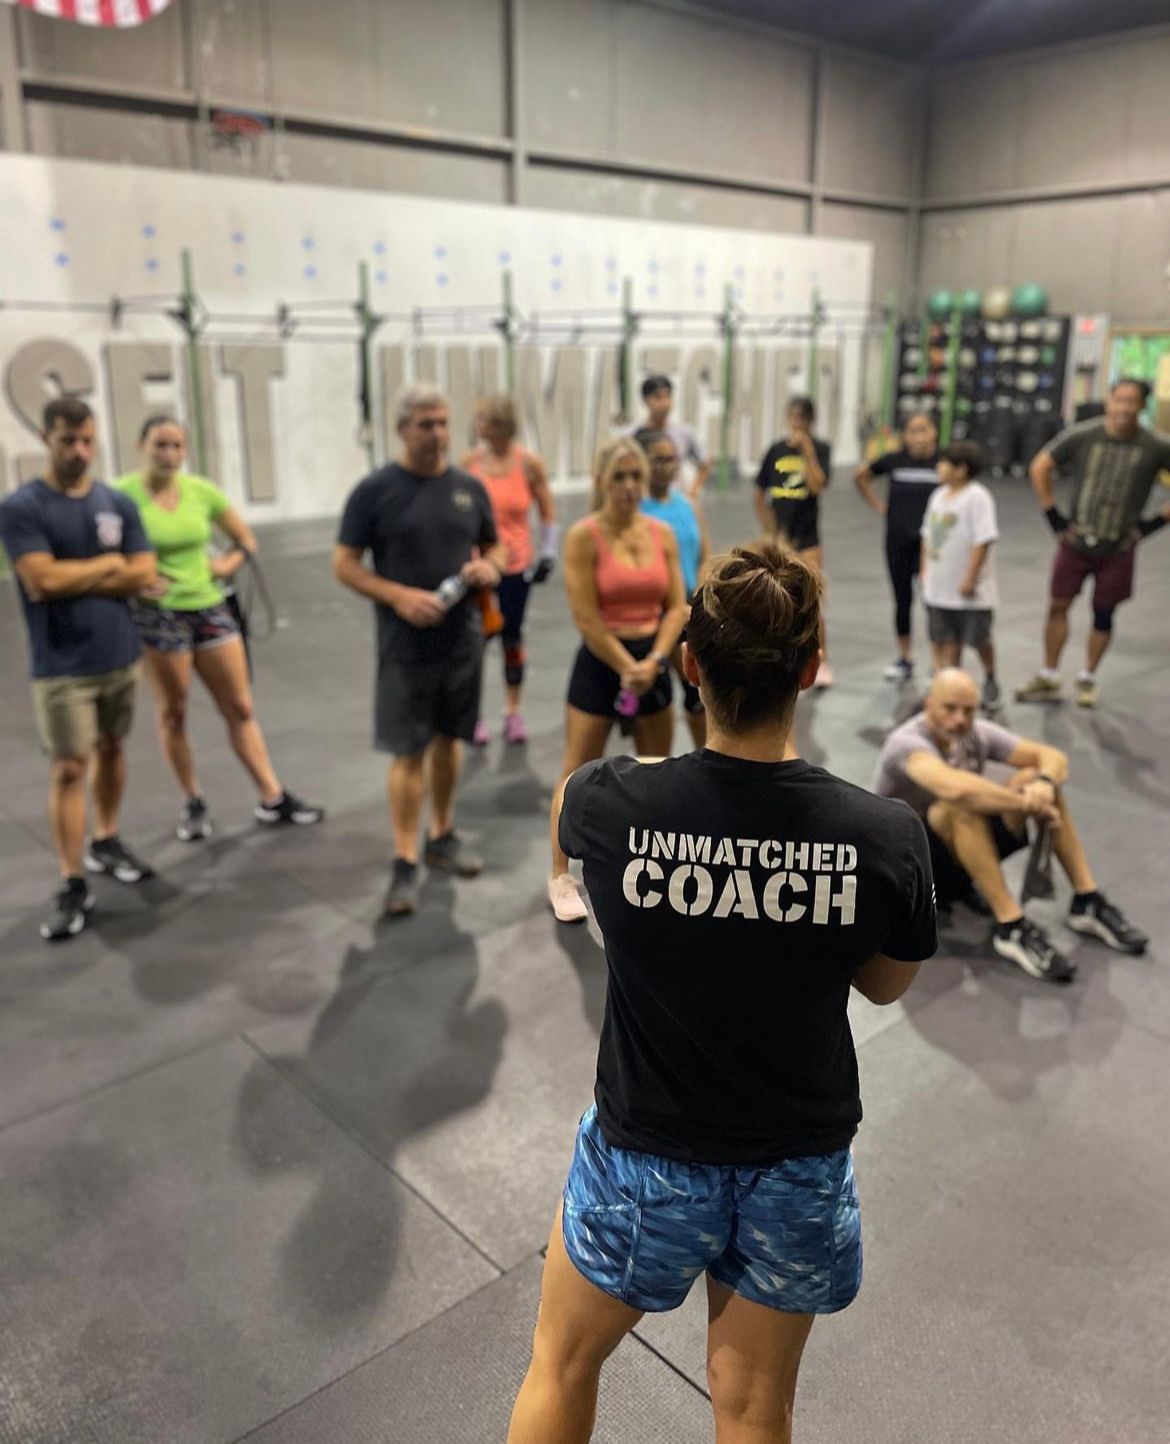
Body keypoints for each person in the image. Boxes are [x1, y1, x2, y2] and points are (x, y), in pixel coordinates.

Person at [509, 542, 938, 1444]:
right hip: (795, 1168)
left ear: (691, 666)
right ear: (813, 668)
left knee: (561, 1362)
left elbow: (563, 813)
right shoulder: (884, 836)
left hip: (642, 1164)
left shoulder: (605, 803)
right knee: (752, 1407)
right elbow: (888, 986)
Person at [334, 384, 508, 917]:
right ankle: (405, 858)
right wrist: (398, 596)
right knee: (408, 751)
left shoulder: (468, 487)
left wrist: (490, 567)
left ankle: (442, 833)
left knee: (449, 741)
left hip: (461, 641)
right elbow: (344, 563)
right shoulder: (375, 491)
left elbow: (495, 543)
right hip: (404, 644)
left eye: (442, 424)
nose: (436, 435)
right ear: (402, 429)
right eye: (425, 425)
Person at [116, 416, 323, 840]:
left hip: (209, 608)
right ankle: (193, 802)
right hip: (159, 614)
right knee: (173, 712)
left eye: (177, 446)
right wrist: (131, 580)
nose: (170, 455)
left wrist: (226, 564)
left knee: (241, 708)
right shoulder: (121, 496)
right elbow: (97, 551)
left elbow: (245, 539)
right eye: (160, 446)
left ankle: (272, 796)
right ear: (142, 447)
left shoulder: (201, 491)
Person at [873, 668, 1147, 983]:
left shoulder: (973, 732)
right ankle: (1011, 926)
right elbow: (954, 788)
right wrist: (1027, 803)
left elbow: (1052, 756)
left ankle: (1086, 900)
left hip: (954, 861)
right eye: (949, 708)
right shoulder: (905, 744)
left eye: (969, 710)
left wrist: (1042, 785)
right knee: (958, 805)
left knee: (1035, 779)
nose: (960, 719)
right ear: (928, 705)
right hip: (910, 874)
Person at [0, 398, 157, 941]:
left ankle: (106, 838)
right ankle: (72, 879)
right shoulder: (22, 507)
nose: (80, 451)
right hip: (62, 666)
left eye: (88, 440)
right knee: (69, 768)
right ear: (47, 438)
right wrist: (110, 566)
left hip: (119, 655)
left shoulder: (116, 503)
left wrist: (92, 573)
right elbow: (41, 581)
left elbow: (143, 572)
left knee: (113, 749)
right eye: (69, 440)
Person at [547, 437, 688, 924]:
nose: (629, 486)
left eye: (635, 476)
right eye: (620, 477)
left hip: (653, 660)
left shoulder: (662, 533)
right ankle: (560, 875)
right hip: (601, 661)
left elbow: (677, 606)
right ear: (602, 480)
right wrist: (625, 666)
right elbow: (585, 617)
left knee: (658, 773)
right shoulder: (584, 536)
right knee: (575, 771)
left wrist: (652, 661)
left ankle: (654, 867)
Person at [1016, 377, 1170, 709]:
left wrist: (1151, 526)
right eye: (1119, 400)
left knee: (1104, 612)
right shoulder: (1084, 435)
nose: (1124, 408)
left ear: (1142, 406)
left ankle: (1087, 677)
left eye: (1132, 402)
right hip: (1075, 543)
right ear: (1108, 401)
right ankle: (1049, 674)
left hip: (1119, 547)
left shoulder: (1156, 446)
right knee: (1058, 605)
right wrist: (1054, 518)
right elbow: (1040, 466)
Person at [461, 393, 558, 746]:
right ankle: (472, 716)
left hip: (517, 566)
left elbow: (547, 510)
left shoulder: (528, 464)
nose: (477, 425)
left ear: (501, 423)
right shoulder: (469, 464)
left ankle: (512, 712)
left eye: (484, 418)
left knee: (512, 639)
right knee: (476, 640)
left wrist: (548, 553)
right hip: (480, 567)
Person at [635, 427, 712, 746]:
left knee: (699, 696)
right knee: (652, 698)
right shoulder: (634, 509)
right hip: (651, 612)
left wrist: (701, 605)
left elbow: (705, 555)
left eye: (672, 459)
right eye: (658, 460)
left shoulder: (688, 505)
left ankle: (706, 764)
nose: (667, 466)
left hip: (688, 608)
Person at [853, 412, 940, 681]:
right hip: (898, 542)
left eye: (923, 430)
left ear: (934, 433)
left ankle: (939, 661)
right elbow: (861, 476)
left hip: (933, 547)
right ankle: (905, 658)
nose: (918, 437)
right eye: (912, 431)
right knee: (903, 601)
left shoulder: (943, 463)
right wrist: (878, 505)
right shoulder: (894, 461)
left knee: (934, 602)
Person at [754, 396, 833, 688]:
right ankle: (781, 654)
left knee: (813, 600)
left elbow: (818, 485)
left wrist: (808, 452)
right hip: (780, 538)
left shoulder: (820, 449)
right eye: (794, 417)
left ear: (811, 421)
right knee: (777, 596)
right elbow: (760, 491)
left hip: (808, 537)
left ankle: (821, 659)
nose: (797, 423)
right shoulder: (775, 450)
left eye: (803, 418)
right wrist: (768, 528)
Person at [920, 440, 1002, 713]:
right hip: (940, 588)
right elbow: (927, 536)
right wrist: (924, 569)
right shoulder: (938, 496)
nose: (938, 467)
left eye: (944, 463)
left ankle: (990, 677)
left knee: (980, 639)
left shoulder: (977, 497)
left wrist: (970, 577)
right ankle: (951, 689)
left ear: (961, 469)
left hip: (971, 593)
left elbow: (983, 540)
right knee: (948, 640)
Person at [621, 374, 710, 497]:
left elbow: (704, 462)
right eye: (658, 397)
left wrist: (694, 491)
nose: (664, 403)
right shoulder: (632, 435)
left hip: (673, 498)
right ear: (646, 400)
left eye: (667, 397)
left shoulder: (684, 433)